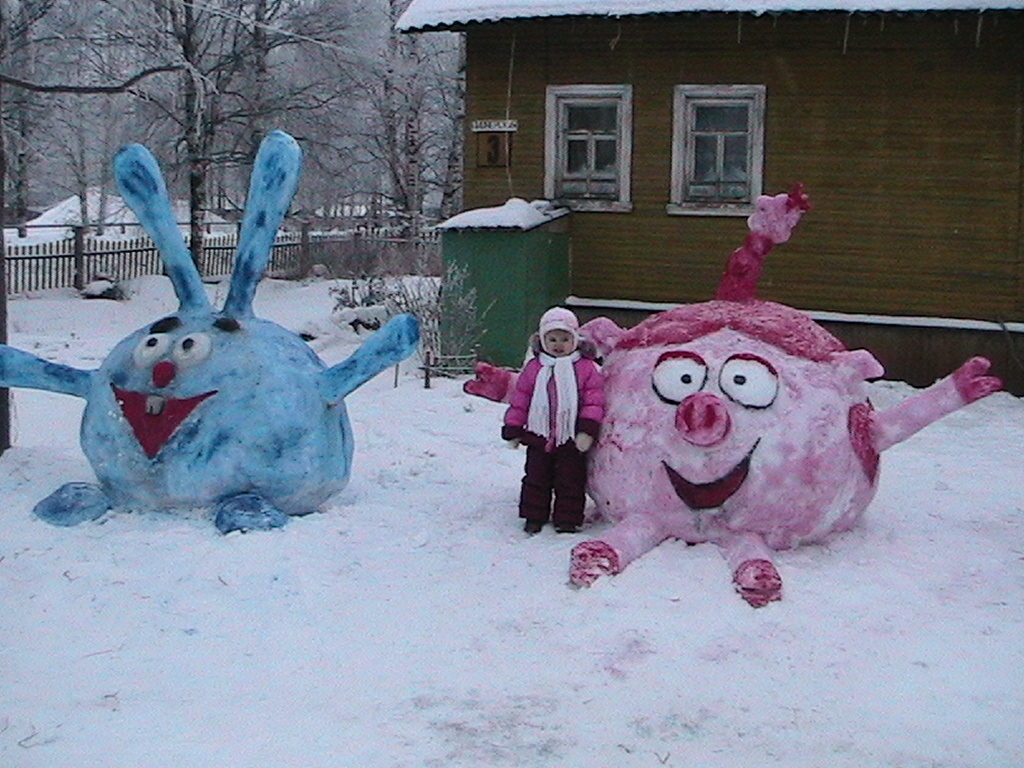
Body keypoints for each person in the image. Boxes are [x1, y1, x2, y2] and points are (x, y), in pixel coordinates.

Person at [501, 307, 605, 534]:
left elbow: (594, 401)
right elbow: (521, 399)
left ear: (575, 340)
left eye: (565, 338)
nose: (558, 344)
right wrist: (515, 427)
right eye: (552, 338)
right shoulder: (535, 368)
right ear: (543, 340)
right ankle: (533, 515)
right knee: (535, 478)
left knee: (570, 480)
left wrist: (587, 430)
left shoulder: (587, 368)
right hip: (539, 436)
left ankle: (567, 519)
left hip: (571, 437)